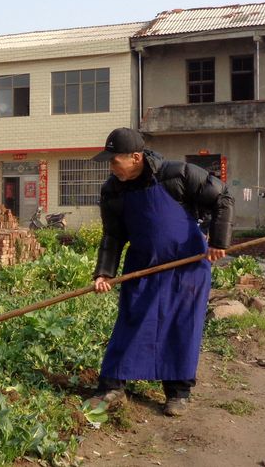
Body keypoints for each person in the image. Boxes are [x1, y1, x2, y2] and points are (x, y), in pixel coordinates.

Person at [88, 128, 234, 417]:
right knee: (131, 320)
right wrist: (103, 272)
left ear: (135, 157)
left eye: (115, 160)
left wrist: (218, 242)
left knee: (182, 325)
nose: (111, 167)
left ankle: (178, 393)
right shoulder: (112, 190)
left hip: (187, 267)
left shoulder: (177, 174)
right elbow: (113, 236)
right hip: (142, 267)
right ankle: (112, 386)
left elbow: (223, 198)